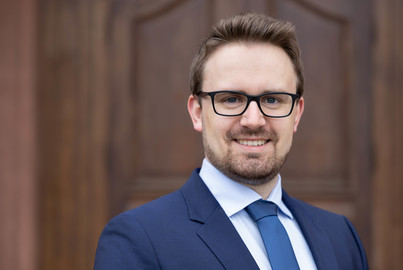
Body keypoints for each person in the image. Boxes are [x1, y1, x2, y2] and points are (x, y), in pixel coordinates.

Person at [93, 13, 369, 270]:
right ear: (198, 112)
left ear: (296, 114)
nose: (253, 120)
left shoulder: (340, 236)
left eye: (272, 100)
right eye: (231, 99)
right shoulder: (139, 238)